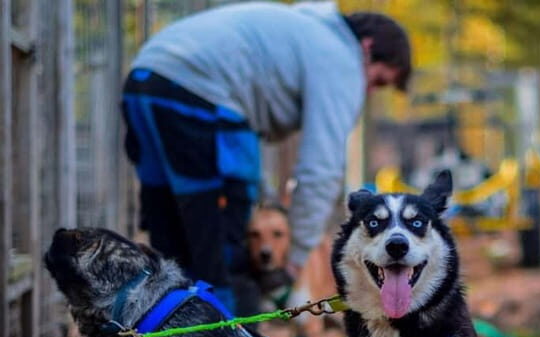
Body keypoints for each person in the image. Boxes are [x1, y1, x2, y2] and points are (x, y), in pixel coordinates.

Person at [121, 1, 411, 312]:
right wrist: (294, 262)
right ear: (367, 49)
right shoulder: (342, 61)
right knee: (227, 253)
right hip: (196, 95)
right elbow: (321, 170)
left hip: (142, 80)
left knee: (168, 238)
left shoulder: (303, 32)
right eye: (378, 81)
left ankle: (165, 336)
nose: (366, 93)